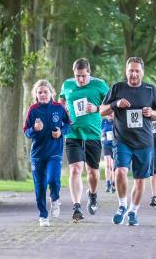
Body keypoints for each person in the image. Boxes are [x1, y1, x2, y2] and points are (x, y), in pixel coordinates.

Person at [100, 57, 156, 226]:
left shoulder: (151, 90)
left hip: (144, 142)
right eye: (131, 70)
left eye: (137, 71)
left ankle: (133, 212)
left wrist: (152, 113)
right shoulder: (117, 88)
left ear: (142, 72)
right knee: (119, 171)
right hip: (122, 140)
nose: (133, 74)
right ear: (126, 71)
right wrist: (115, 104)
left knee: (140, 179)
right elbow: (101, 111)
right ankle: (122, 205)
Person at [59, 58, 109, 220]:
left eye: (83, 76)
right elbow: (61, 101)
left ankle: (92, 195)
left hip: (93, 135)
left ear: (89, 73)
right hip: (73, 134)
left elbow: (110, 107)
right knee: (75, 169)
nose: (80, 80)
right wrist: (64, 111)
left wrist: (96, 108)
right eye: (77, 76)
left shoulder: (100, 85)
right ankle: (76, 207)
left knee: (93, 173)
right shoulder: (67, 84)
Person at [24, 79, 70, 227]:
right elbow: (26, 131)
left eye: (45, 91)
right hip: (37, 154)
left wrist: (61, 132)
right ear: (36, 95)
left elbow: (68, 124)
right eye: (39, 92)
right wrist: (34, 129)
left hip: (54, 152)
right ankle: (43, 215)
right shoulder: (33, 110)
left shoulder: (59, 108)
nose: (43, 94)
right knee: (40, 186)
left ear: (51, 93)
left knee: (53, 180)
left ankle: (55, 199)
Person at [101, 112, 116, 193]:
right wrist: (102, 134)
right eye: (108, 114)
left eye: (110, 114)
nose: (109, 115)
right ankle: (108, 183)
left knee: (113, 166)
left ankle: (114, 183)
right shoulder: (103, 121)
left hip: (115, 145)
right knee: (108, 165)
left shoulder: (117, 121)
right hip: (106, 145)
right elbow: (100, 132)